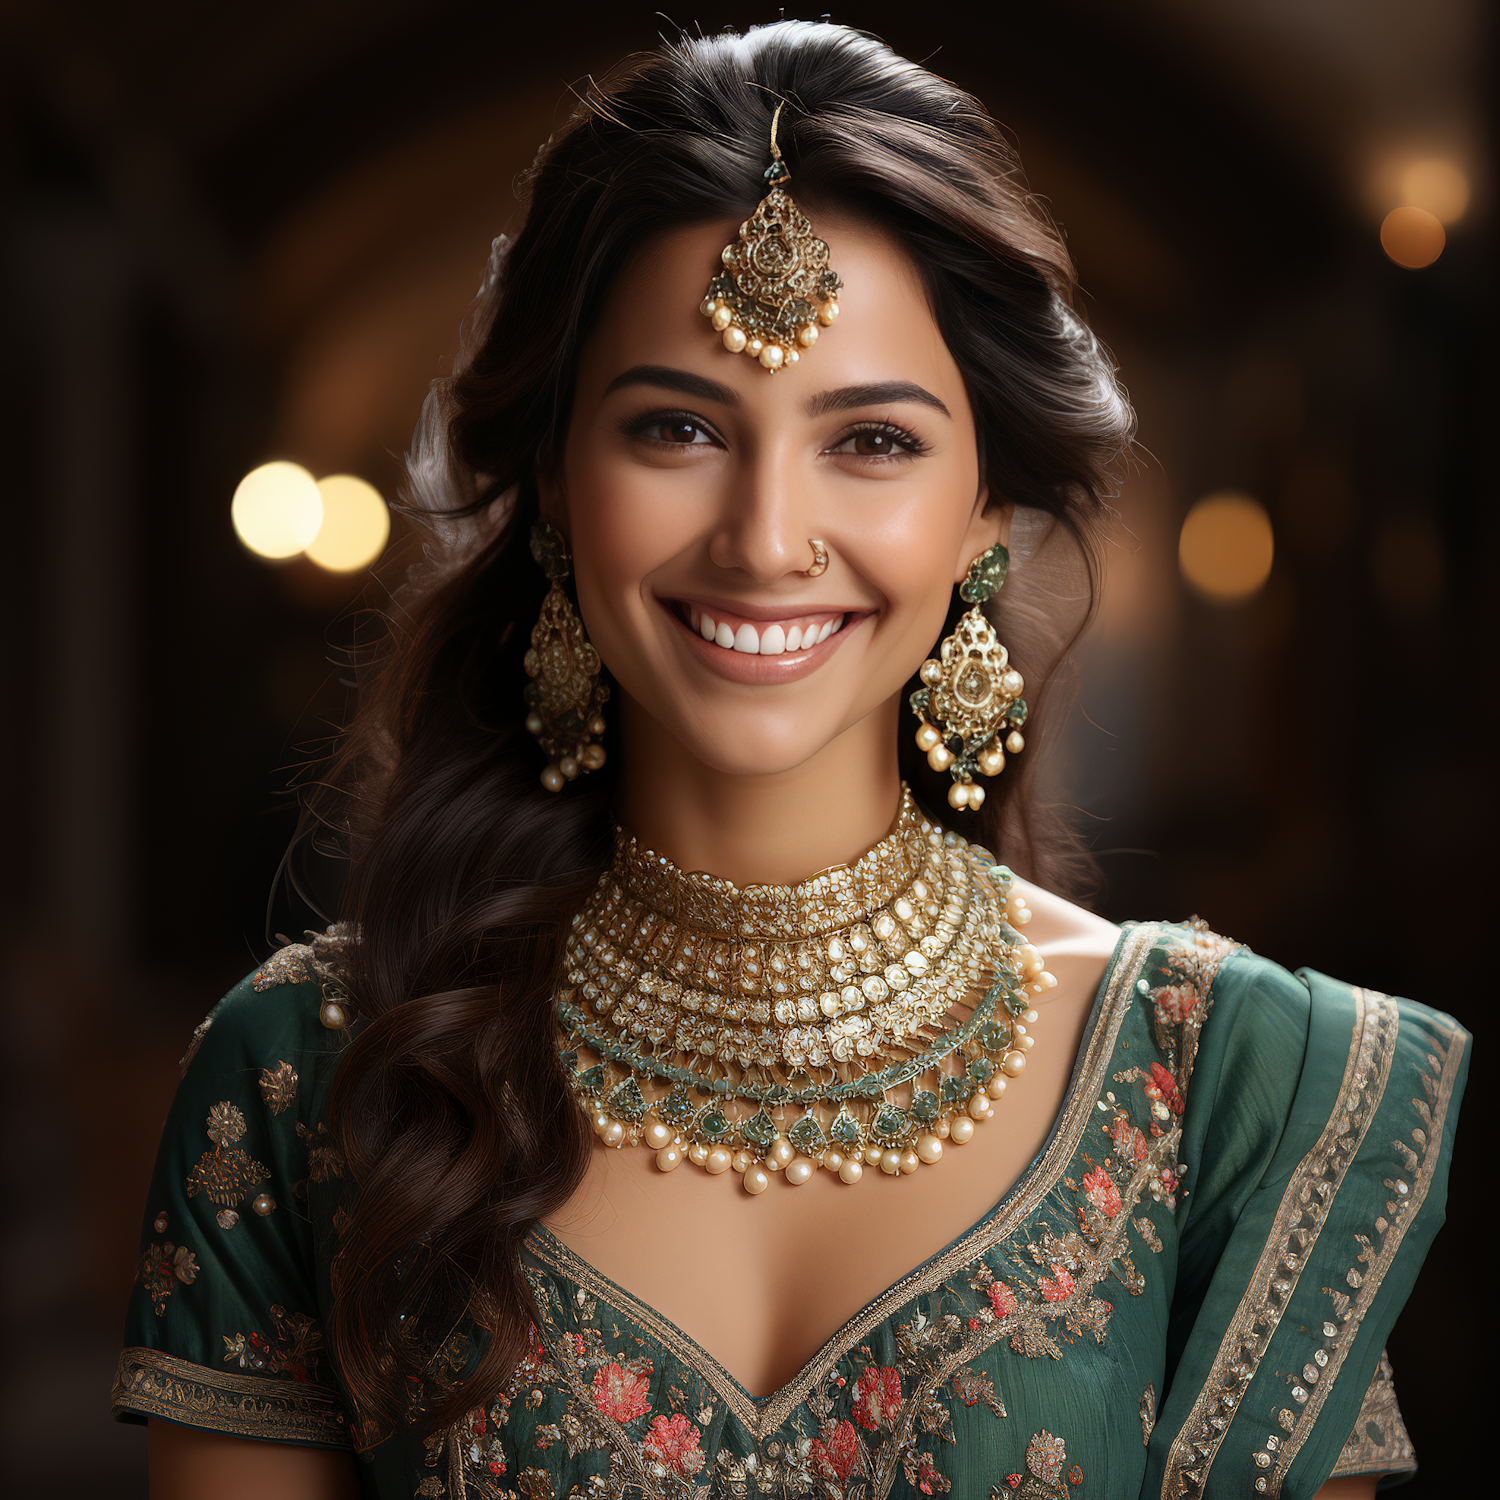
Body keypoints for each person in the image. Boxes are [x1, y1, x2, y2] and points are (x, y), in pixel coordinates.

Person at [112, 21, 1467, 1500]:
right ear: (556, 491)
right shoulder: (316, 1072)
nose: (764, 539)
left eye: (872, 442)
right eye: (679, 427)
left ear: (985, 518)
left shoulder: (1224, 1081)